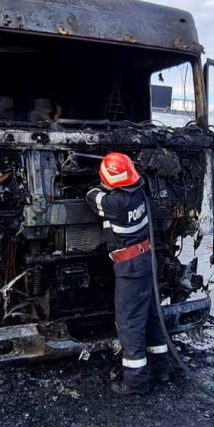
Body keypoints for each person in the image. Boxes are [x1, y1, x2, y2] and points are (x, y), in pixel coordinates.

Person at [85, 152, 170, 395]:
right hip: (145, 261)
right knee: (152, 316)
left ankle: (135, 382)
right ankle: (161, 370)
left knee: (130, 322)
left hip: (130, 267)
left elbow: (91, 196)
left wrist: (101, 185)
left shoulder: (115, 203)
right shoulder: (140, 193)